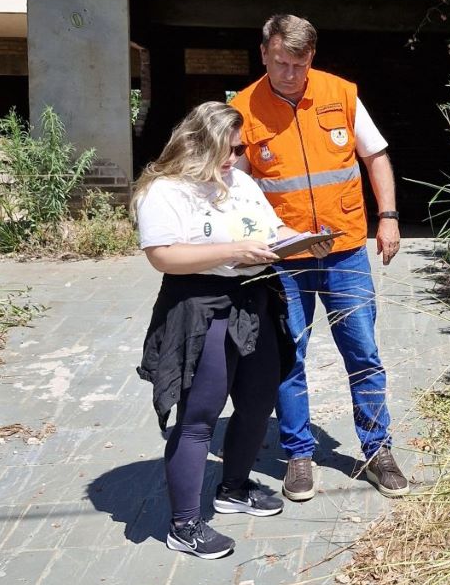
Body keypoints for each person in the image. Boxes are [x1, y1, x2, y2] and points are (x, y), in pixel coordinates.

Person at [134, 101, 328, 559]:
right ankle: (184, 524)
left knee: (259, 402)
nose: (238, 156)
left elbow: (269, 228)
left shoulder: (240, 181)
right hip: (201, 306)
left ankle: (234, 489)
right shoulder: (165, 190)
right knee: (200, 415)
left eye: (240, 147)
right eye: (231, 147)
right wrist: (233, 249)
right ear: (200, 142)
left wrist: (297, 240)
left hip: (254, 300)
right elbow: (162, 255)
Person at [230, 14, 409, 502]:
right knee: (289, 357)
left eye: (300, 64)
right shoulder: (243, 109)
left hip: (344, 250)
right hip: (284, 258)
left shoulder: (340, 93)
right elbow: (233, 186)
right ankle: (299, 455)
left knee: (363, 353)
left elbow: (375, 156)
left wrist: (388, 216)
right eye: (282, 63)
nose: (290, 74)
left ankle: (378, 450)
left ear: (313, 58)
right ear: (264, 52)